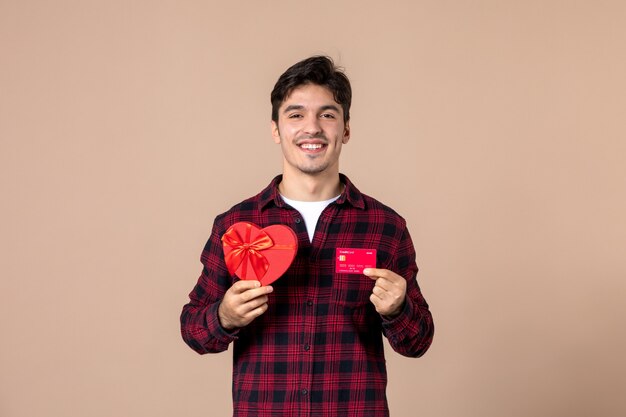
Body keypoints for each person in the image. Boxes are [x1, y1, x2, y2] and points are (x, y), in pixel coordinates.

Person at [180, 56, 434, 417]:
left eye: (327, 114)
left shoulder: (385, 226)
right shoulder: (235, 225)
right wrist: (224, 316)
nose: (311, 128)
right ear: (275, 129)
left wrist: (397, 310)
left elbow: (418, 341)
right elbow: (193, 329)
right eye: (296, 114)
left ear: (345, 129)